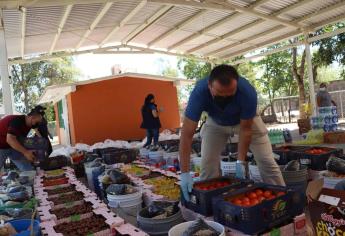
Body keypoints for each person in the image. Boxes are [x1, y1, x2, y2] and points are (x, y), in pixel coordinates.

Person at [179, 65, 285, 201]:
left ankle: (280, 198)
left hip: (245, 121)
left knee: (266, 160)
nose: (224, 98)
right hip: (215, 122)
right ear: (209, 86)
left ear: (236, 86)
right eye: (219, 94)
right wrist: (185, 173)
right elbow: (186, 135)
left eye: (230, 94)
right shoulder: (199, 93)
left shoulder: (247, 92)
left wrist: (240, 161)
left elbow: (246, 130)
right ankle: (211, 202)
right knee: (207, 164)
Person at [0, 106, 44, 171]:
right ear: (32, 117)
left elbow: (20, 140)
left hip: (12, 146)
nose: (38, 124)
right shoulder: (17, 121)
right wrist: (26, 152)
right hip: (1, 146)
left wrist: (31, 152)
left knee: (28, 169)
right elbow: (10, 139)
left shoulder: (28, 125)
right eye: (37, 122)